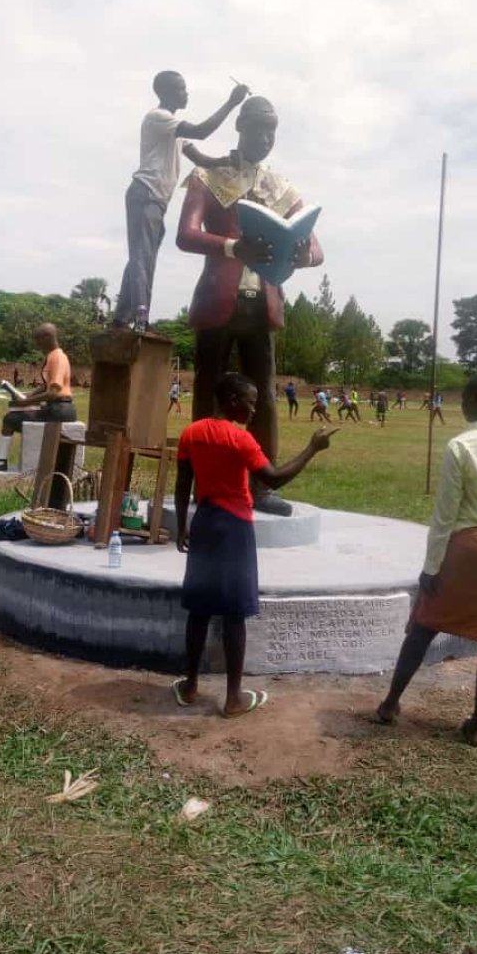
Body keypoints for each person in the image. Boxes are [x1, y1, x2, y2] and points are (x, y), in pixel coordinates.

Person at [176, 96, 323, 517]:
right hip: (219, 299)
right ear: (239, 128)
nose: (265, 138)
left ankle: (262, 486)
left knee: (266, 399)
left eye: (272, 131)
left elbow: (315, 246)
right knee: (208, 394)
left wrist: (301, 254)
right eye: (258, 129)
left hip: (262, 304)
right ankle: (206, 482)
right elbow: (186, 235)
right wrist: (231, 246)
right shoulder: (209, 174)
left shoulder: (281, 187)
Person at [374, 373, 477, 746]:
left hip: (465, 547)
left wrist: (430, 568)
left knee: (423, 626)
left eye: (463, 398)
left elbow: (445, 515)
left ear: (471, 401)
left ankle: (389, 705)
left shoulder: (461, 446)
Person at [172, 372, 336, 716]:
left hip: (204, 523)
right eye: (250, 401)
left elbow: (183, 482)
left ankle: (189, 685)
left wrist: (183, 526)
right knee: (234, 613)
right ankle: (232, 698)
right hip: (234, 528)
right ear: (233, 401)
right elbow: (274, 478)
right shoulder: (240, 439)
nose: (254, 408)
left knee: (199, 610)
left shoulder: (191, 432)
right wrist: (312, 448)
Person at [113, 72, 250, 329]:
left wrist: (226, 160)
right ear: (164, 93)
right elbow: (202, 131)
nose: (186, 94)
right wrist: (232, 102)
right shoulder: (159, 118)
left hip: (156, 199)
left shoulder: (174, 131)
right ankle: (141, 318)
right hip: (145, 193)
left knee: (143, 256)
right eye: (180, 89)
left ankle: (122, 318)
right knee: (143, 256)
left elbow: (202, 160)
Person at [0, 324, 76, 471]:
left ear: (47, 337)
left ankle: (0, 461)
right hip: (55, 408)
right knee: (12, 415)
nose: (37, 344)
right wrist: (28, 396)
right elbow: (45, 385)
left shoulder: (58, 358)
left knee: (11, 419)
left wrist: (25, 402)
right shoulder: (52, 356)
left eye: (38, 339)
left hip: (60, 411)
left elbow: (53, 392)